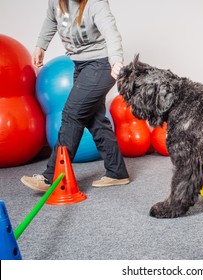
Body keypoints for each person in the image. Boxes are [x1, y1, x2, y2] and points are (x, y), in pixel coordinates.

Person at [21, 0, 129, 191]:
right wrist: (41, 45)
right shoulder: (56, 2)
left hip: (103, 65)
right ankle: (117, 172)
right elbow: (51, 19)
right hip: (81, 65)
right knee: (95, 120)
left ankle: (52, 177)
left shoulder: (95, 3)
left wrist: (116, 61)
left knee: (72, 114)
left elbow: (111, 32)